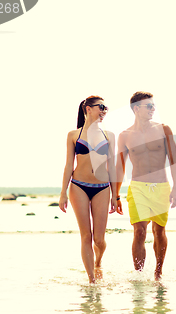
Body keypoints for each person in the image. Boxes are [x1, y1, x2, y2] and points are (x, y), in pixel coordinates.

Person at [116, 91, 176, 281]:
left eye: (153, 105)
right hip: (137, 187)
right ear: (136, 108)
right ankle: (139, 276)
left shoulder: (163, 129)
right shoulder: (125, 135)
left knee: (159, 231)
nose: (153, 109)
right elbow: (119, 167)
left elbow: (175, 160)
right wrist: (115, 194)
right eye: (149, 106)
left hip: (161, 186)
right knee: (139, 231)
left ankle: (158, 273)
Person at [59, 95, 117, 283]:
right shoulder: (73, 135)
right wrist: (62, 194)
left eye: (105, 108)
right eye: (101, 107)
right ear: (88, 108)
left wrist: (116, 196)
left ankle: (98, 263)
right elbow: (69, 165)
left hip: (102, 188)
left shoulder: (109, 135)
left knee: (99, 239)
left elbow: (113, 167)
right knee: (86, 235)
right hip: (79, 187)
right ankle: (92, 280)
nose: (104, 111)